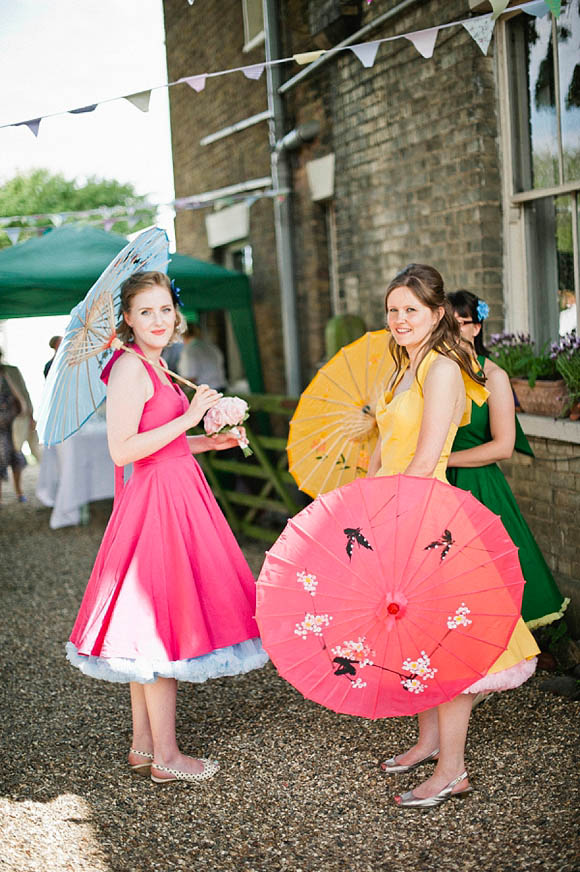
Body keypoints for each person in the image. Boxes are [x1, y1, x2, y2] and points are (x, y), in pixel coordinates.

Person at [66, 271, 268, 784]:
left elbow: (165, 444)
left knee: (151, 625)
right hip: (157, 504)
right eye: (146, 312)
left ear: (175, 314)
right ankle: (169, 758)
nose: (158, 320)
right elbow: (123, 450)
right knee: (159, 623)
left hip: (179, 491)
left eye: (164, 309)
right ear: (128, 320)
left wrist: (208, 441)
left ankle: (143, 746)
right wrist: (191, 416)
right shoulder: (130, 369)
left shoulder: (157, 366)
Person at [367, 264, 539, 808]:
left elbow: (424, 457)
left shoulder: (441, 367)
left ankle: (452, 769)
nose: (399, 319)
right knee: (413, 637)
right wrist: (362, 505)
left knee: (448, 646)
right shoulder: (399, 366)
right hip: (394, 512)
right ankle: (427, 742)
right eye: (393, 309)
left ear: (437, 314)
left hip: (424, 515)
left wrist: (388, 510)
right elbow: (382, 451)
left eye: (411, 310)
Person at [446, 290, 569, 629]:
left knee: (490, 567)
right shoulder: (435, 374)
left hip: (477, 482)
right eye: (447, 326)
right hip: (438, 481)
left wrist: (447, 459)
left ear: (477, 327)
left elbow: (502, 446)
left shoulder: (494, 376)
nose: (454, 333)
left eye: (462, 324)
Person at [0, 349, 35, 503]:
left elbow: (24, 393)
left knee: (17, 457)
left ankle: (19, 491)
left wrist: (31, 416)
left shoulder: (11, 372)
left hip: (14, 423)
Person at [178, 321, 227, 392]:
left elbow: (191, 377)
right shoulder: (210, 346)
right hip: (221, 387)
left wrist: (174, 385)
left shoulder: (189, 350)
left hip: (205, 391)